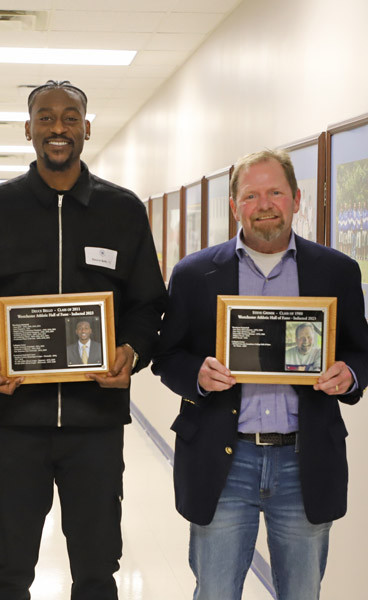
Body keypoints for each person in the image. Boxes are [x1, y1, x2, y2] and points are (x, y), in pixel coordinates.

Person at [0, 80, 165, 599]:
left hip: (96, 423)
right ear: (29, 129)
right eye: (45, 118)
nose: (58, 128)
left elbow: (148, 303)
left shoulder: (123, 211)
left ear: (86, 128)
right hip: (15, 422)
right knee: (9, 568)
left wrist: (130, 352)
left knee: (96, 570)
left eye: (70, 117)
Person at [152, 149, 368, 600]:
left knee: (302, 592)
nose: (264, 204)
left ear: (296, 199)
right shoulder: (194, 274)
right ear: (234, 206)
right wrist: (197, 374)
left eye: (275, 192)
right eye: (251, 195)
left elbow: (360, 352)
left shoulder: (337, 272)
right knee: (215, 592)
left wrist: (348, 374)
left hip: (302, 461)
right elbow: (166, 356)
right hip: (224, 460)